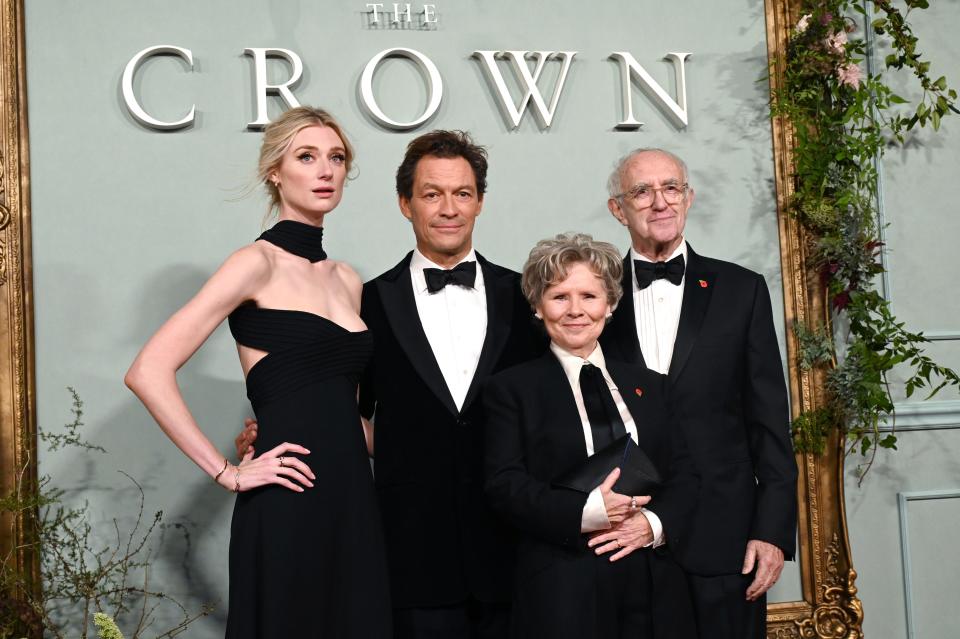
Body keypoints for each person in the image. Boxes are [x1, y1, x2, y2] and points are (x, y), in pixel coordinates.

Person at [237, 130, 543, 639]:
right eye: (431, 193)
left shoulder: (529, 299)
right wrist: (272, 430)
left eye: (462, 193)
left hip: (516, 552)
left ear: (480, 202)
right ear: (405, 203)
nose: (449, 208)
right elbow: (341, 410)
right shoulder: (366, 303)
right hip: (409, 557)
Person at [125, 106, 392, 638]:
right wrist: (228, 471)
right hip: (286, 497)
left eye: (336, 158)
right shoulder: (255, 263)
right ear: (275, 171)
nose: (325, 171)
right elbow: (148, 370)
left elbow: (346, 412)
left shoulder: (347, 280)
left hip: (353, 500)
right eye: (307, 156)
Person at [600, 148, 798, 638]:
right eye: (641, 191)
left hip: (727, 538)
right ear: (617, 209)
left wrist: (771, 532)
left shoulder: (742, 290)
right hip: (624, 537)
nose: (659, 202)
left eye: (671, 188)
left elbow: (769, 421)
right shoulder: (592, 296)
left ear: (689, 198)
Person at [483, 233, 699, 639]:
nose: (576, 311)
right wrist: (588, 513)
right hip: (563, 588)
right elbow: (504, 485)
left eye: (589, 296)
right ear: (537, 305)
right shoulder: (511, 390)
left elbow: (685, 474)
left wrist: (651, 525)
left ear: (610, 304)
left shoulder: (651, 386)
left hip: (653, 584)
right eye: (559, 296)